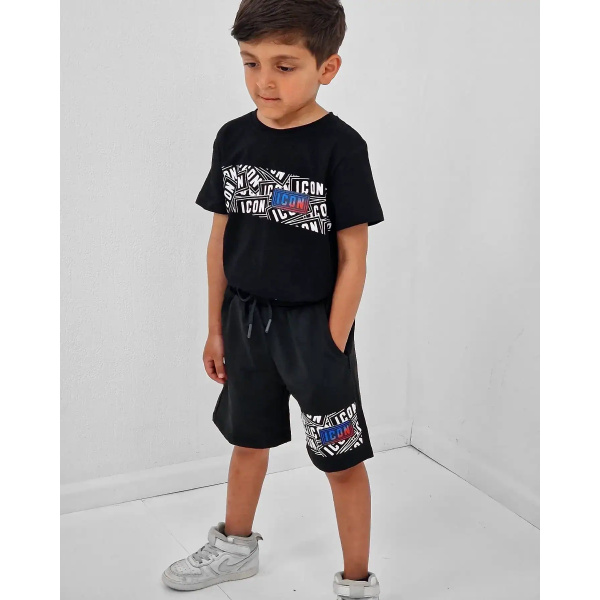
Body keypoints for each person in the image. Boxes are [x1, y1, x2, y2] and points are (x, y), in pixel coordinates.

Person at [162, 1, 384, 598]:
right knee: (248, 441)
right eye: (251, 62)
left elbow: (354, 256)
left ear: (327, 67)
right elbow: (219, 241)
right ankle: (235, 547)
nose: (264, 80)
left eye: (284, 66)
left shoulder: (341, 147)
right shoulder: (233, 138)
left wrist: (332, 340)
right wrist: (216, 328)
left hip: (314, 332)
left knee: (341, 459)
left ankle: (357, 580)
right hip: (245, 325)